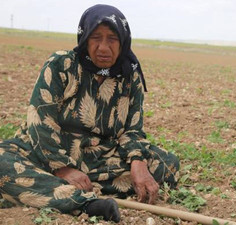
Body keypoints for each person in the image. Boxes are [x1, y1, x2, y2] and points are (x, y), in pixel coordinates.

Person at [0, 4, 179, 223]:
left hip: (97, 158)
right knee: (2, 162)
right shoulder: (61, 64)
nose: (103, 47)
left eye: (112, 39)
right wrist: (63, 168)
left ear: (123, 41)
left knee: (166, 164)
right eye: (96, 38)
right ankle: (87, 203)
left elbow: (132, 129)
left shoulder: (129, 78)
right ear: (84, 38)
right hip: (44, 153)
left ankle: (50, 189)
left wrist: (138, 164)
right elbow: (40, 119)